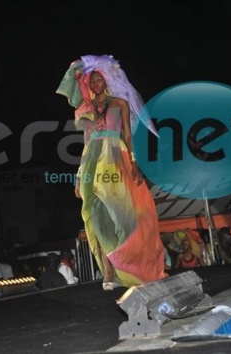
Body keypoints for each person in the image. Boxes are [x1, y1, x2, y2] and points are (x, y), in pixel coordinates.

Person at [56, 54, 167, 290]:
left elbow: (127, 135)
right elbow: (86, 142)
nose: (95, 84)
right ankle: (107, 270)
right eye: (92, 81)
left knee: (124, 216)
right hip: (92, 161)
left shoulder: (120, 103)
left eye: (99, 80)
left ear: (107, 80)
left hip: (116, 158)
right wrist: (79, 176)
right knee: (93, 215)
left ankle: (131, 265)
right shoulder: (86, 108)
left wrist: (135, 163)